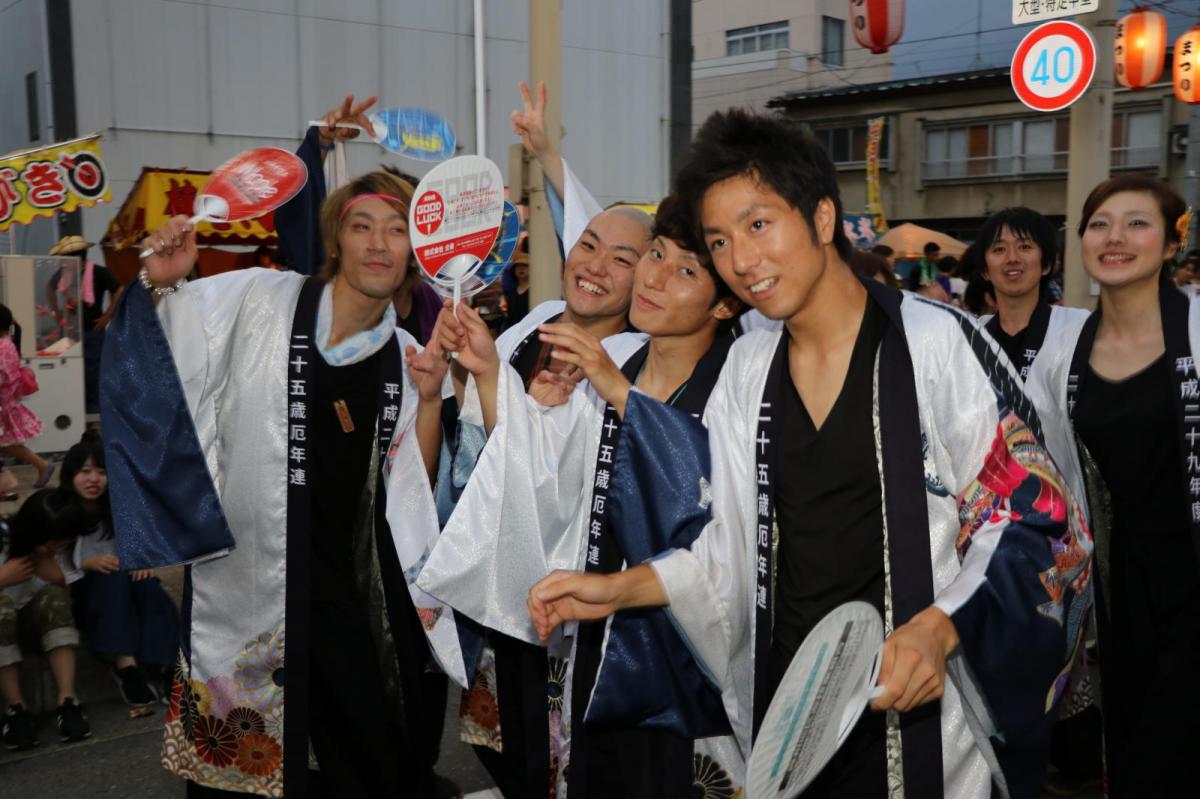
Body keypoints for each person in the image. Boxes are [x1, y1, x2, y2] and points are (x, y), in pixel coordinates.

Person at [526, 109, 1093, 797]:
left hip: (914, 706)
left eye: (759, 225)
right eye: (720, 240)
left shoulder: (933, 343)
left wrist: (941, 628)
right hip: (794, 709)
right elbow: (727, 555)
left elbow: (1035, 513)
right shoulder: (748, 369)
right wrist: (615, 589)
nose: (742, 260)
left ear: (822, 218)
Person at [101, 168, 470, 797]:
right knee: (238, 772)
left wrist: (431, 399)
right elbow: (156, 359)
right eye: (362, 227)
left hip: (345, 590)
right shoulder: (258, 298)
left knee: (373, 760)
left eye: (398, 230)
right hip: (245, 576)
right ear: (336, 239)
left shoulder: (408, 353)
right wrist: (159, 286)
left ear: (417, 250)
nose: (379, 244)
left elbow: (413, 488)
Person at [420, 193, 744, 798]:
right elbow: (543, 465)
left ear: (725, 301)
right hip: (598, 646)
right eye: (654, 255)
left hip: (693, 662)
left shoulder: (738, 383)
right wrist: (489, 371)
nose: (652, 277)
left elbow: (707, 510)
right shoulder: (618, 356)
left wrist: (618, 392)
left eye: (685, 270)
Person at [423, 79, 653, 798]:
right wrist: (456, 382)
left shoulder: (641, 360)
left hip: (581, 597)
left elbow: (566, 472)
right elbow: (479, 452)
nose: (595, 262)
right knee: (514, 748)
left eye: (623, 259)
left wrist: (496, 387)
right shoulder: (536, 320)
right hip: (503, 576)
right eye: (586, 244)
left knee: (569, 757)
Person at [1022, 175, 1196, 797]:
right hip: (1119, 588)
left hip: (1193, 575)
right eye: (1099, 224)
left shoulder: (1198, 330)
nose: (1115, 237)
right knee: (1127, 743)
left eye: (1137, 223)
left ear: (1172, 245)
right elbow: (1048, 467)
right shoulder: (1061, 352)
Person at [58, 434, 180, 706]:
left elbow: (140, 544)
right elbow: (52, 561)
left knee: (149, 586)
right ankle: (125, 666)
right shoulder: (59, 510)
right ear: (70, 474)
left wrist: (140, 561)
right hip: (84, 592)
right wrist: (86, 563)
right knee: (111, 579)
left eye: (102, 472)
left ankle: (167, 663)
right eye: (85, 472)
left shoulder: (116, 506)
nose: (94, 480)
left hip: (123, 585)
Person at [0, 488, 93, 749]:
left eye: (62, 543)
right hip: (3, 626)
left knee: (54, 597)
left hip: (33, 625)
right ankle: (15, 708)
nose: (57, 548)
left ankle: (67, 700)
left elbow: (64, 599)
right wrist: (3, 579)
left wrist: (56, 578)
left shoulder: (54, 552)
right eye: (52, 543)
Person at [966, 207, 1090, 381]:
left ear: (1046, 265)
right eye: (999, 249)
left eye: (1024, 246)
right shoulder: (972, 338)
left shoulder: (1077, 327)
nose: (1012, 258)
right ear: (985, 270)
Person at [47, 235, 124, 414]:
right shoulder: (64, 274)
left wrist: (108, 315)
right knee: (71, 367)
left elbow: (118, 290)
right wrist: (56, 311)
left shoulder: (99, 272)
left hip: (93, 329)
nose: (62, 262)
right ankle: (76, 403)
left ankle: (93, 407)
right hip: (70, 330)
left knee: (94, 367)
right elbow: (49, 288)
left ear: (76, 257)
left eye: (64, 258)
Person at [0, 304, 53, 487]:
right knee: (7, 443)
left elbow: (3, 376)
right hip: (7, 402)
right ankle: (41, 465)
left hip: (4, 405)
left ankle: (42, 465)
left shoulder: (3, 347)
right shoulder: (8, 343)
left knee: (8, 444)